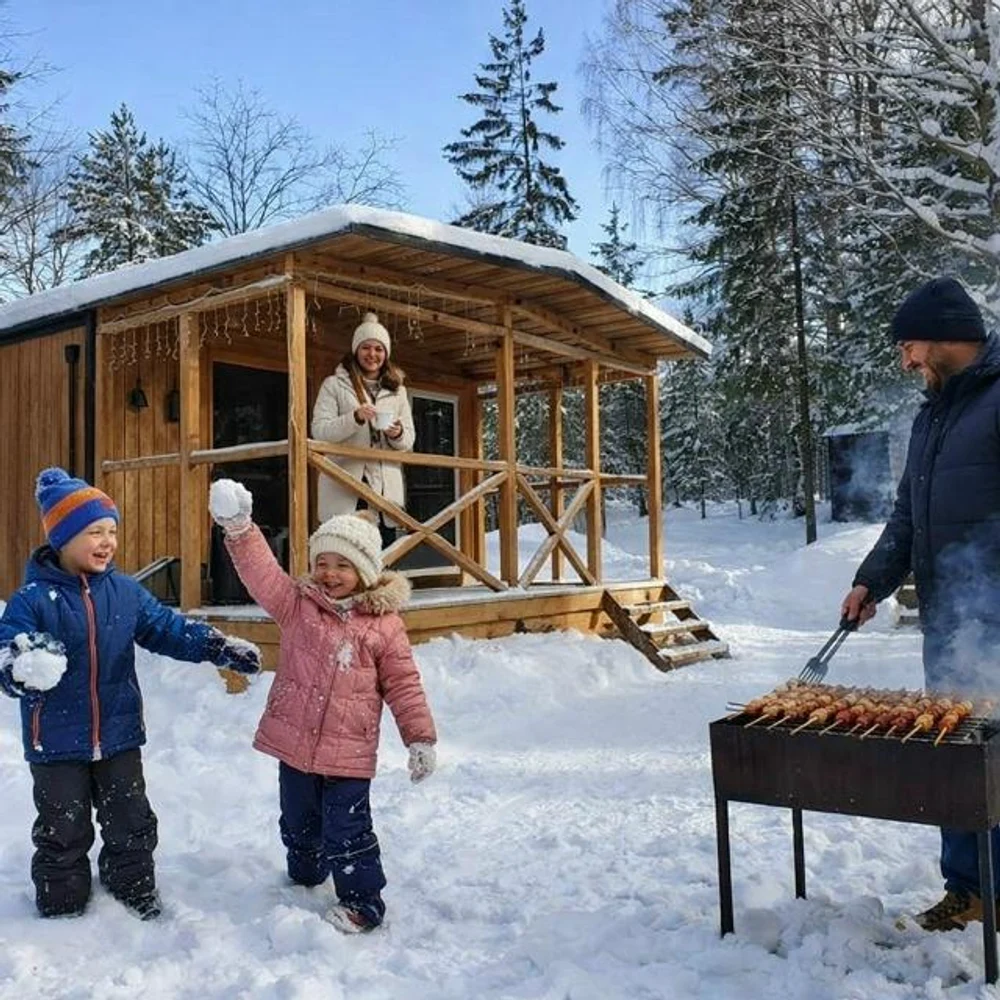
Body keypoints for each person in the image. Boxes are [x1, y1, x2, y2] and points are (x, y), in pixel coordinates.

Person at [0, 467, 261, 921]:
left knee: (131, 819)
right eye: (94, 532)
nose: (107, 542)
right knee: (63, 826)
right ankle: (62, 899)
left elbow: (168, 629)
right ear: (62, 538)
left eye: (112, 531)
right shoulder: (32, 600)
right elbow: (8, 654)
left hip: (119, 735)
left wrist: (216, 646)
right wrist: (21, 667)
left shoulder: (125, 592)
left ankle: (132, 884)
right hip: (56, 743)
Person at [840, 275, 1000, 932]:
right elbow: (910, 515)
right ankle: (969, 891)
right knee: (957, 760)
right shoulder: (932, 415)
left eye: (908, 347)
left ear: (941, 338)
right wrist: (869, 581)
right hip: (950, 627)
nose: (905, 362)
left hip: (996, 625)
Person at [208, 477, 437, 933]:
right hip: (295, 748)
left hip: (347, 756)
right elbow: (262, 574)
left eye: (342, 566)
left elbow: (404, 685)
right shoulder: (298, 605)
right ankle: (307, 870)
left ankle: (362, 902)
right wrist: (239, 529)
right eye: (322, 563)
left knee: (348, 832)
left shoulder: (383, 626)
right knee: (297, 824)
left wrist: (420, 738)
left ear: (366, 572)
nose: (329, 573)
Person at [311, 311, 415, 548]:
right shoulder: (334, 385)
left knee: (383, 556)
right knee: (347, 552)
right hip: (345, 484)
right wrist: (355, 417)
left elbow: (408, 439)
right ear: (356, 351)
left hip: (383, 490)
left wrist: (396, 433)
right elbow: (320, 431)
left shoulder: (397, 391)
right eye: (366, 347)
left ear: (386, 354)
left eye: (379, 349)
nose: (372, 354)